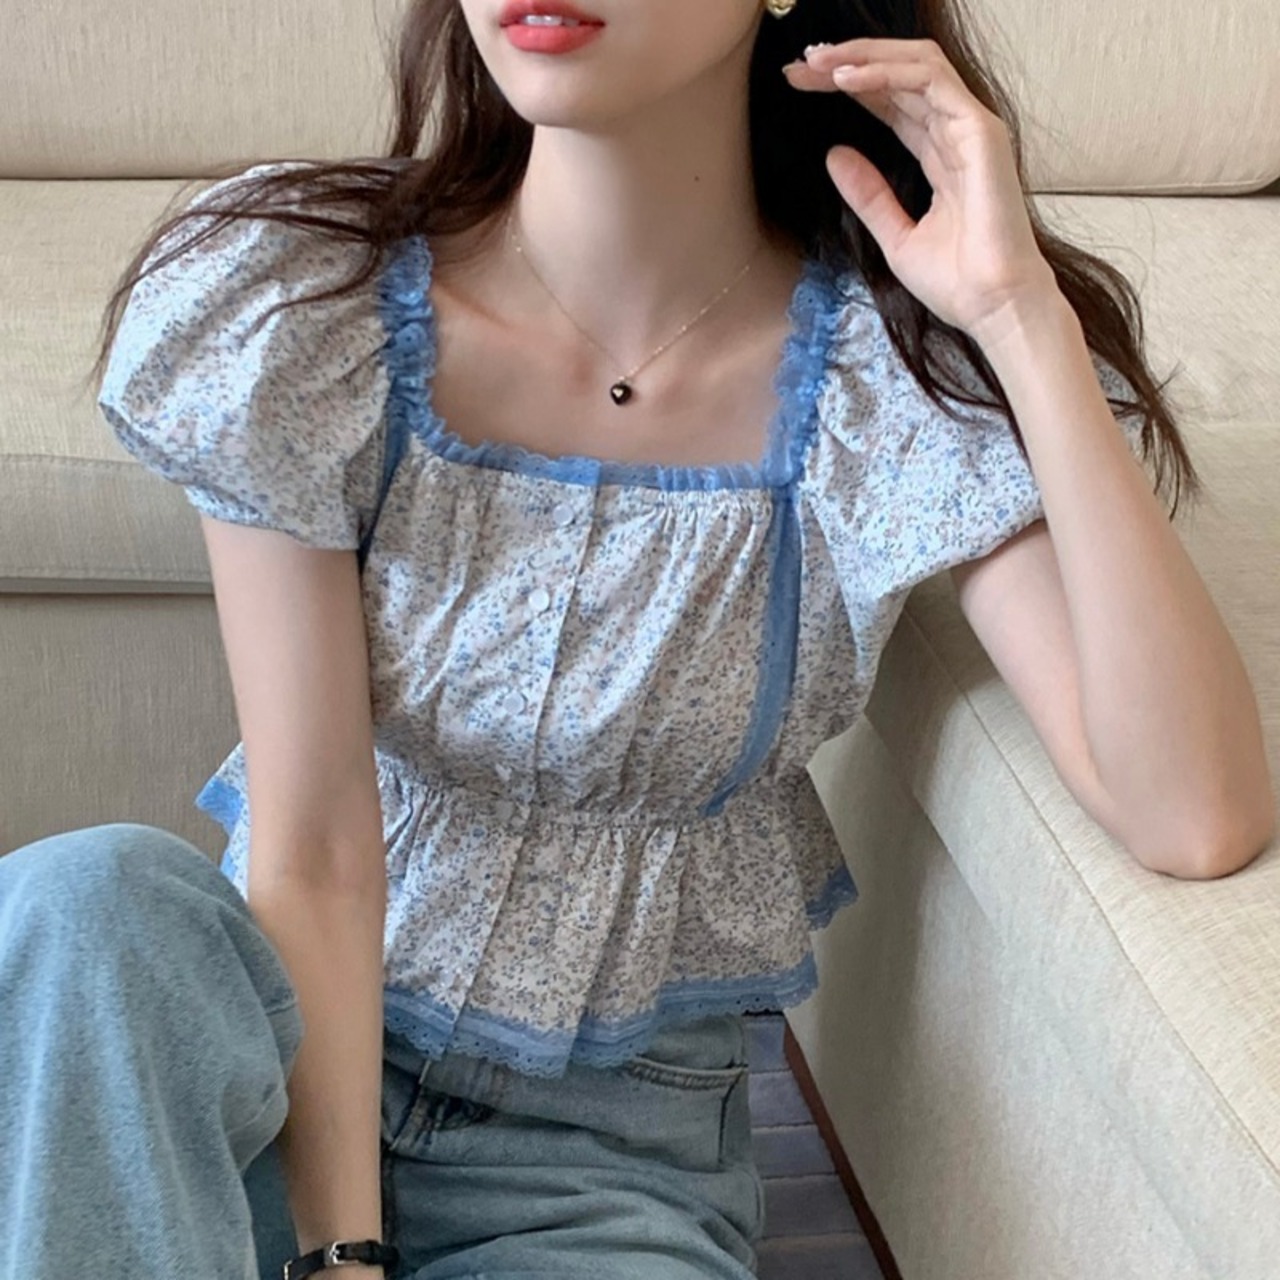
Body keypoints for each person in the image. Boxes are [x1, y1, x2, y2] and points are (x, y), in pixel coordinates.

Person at [3, 0, 1274, 1277]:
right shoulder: (310, 304)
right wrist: (343, 1253)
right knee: (86, 901)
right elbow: (315, 838)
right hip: (275, 1073)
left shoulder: (878, 381)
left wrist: (1017, 315)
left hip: (599, 1166)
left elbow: (1190, 813)